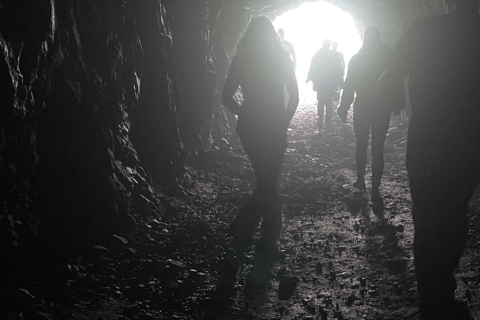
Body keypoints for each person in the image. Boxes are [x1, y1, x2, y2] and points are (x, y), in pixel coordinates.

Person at [378, 0, 480, 319]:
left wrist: (396, 101)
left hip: (427, 142)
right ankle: (443, 288)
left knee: (427, 219)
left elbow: (387, 82)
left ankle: (432, 299)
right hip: (468, 142)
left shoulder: (422, 31)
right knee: (455, 212)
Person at [223, 17, 299, 248]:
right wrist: (283, 123)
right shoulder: (281, 57)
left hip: (251, 128)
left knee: (264, 179)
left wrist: (243, 114)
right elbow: (294, 97)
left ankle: (252, 228)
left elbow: (226, 97)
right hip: (275, 124)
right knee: (269, 179)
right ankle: (267, 231)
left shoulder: (241, 59)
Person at [337, 28, 402, 203]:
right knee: (378, 148)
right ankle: (375, 188)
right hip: (381, 106)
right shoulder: (388, 58)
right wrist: (398, 102)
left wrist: (344, 108)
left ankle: (360, 180)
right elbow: (397, 79)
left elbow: (349, 85)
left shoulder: (358, 59)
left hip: (363, 105)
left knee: (361, 144)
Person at [307, 39, 343, 128]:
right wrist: (340, 82)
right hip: (331, 82)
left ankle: (320, 119)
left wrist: (309, 78)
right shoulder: (334, 55)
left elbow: (313, 66)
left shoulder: (318, 54)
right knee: (329, 101)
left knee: (321, 100)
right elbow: (339, 69)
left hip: (321, 82)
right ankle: (328, 121)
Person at [331, 41, 346, 108]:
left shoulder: (329, 54)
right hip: (338, 73)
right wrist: (343, 71)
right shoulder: (340, 54)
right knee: (338, 88)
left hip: (332, 73)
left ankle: (332, 102)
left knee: (331, 87)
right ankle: (336, 102)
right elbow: (343, 64)